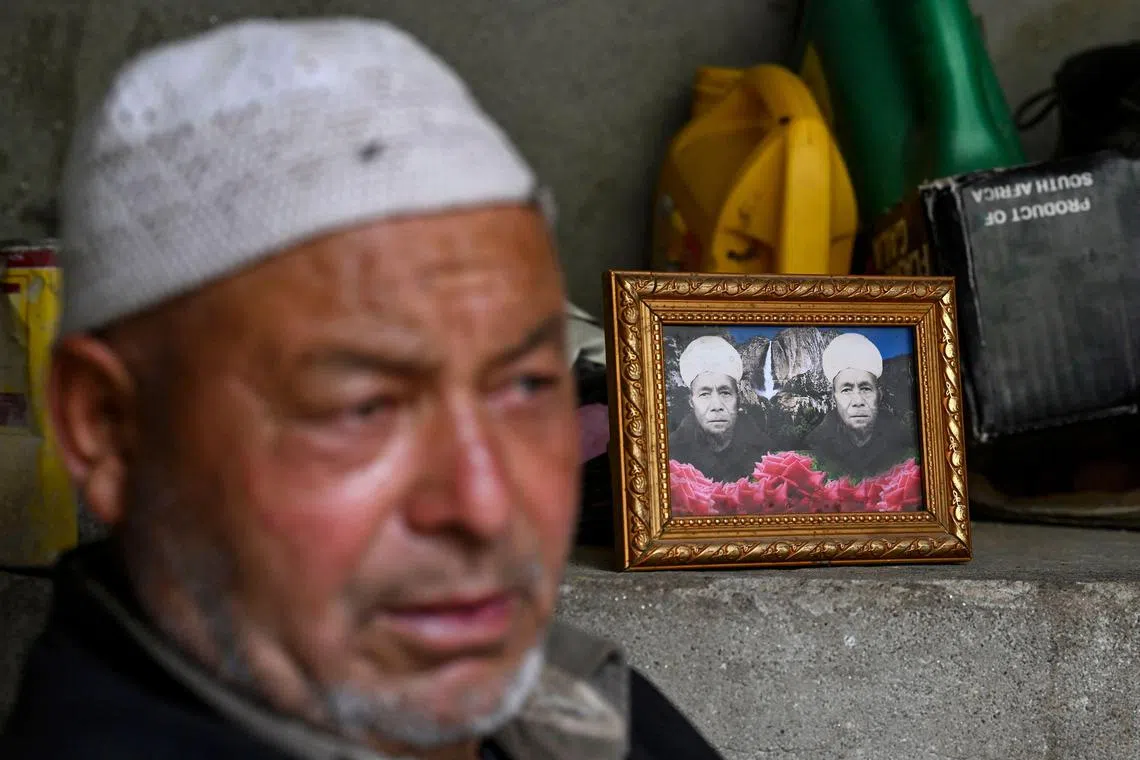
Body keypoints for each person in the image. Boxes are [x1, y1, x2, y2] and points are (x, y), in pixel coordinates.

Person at [0, 18, 723, 760]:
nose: (484, 504)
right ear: (110, 428)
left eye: (526, 385)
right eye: (363, 408)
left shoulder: (587, 713)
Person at [805, 332, 917, 481]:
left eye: (865, 389)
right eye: (846, 390)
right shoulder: (814, 444)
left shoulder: (905, 441)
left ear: (879, 395)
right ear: (834, 397)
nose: (858, 401)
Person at [668, 335, 777, 482]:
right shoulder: (672, 450)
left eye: (725, 393)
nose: (716, 406)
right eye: (704, 394)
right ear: (691, 402)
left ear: (738, 399)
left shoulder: (762, 448)